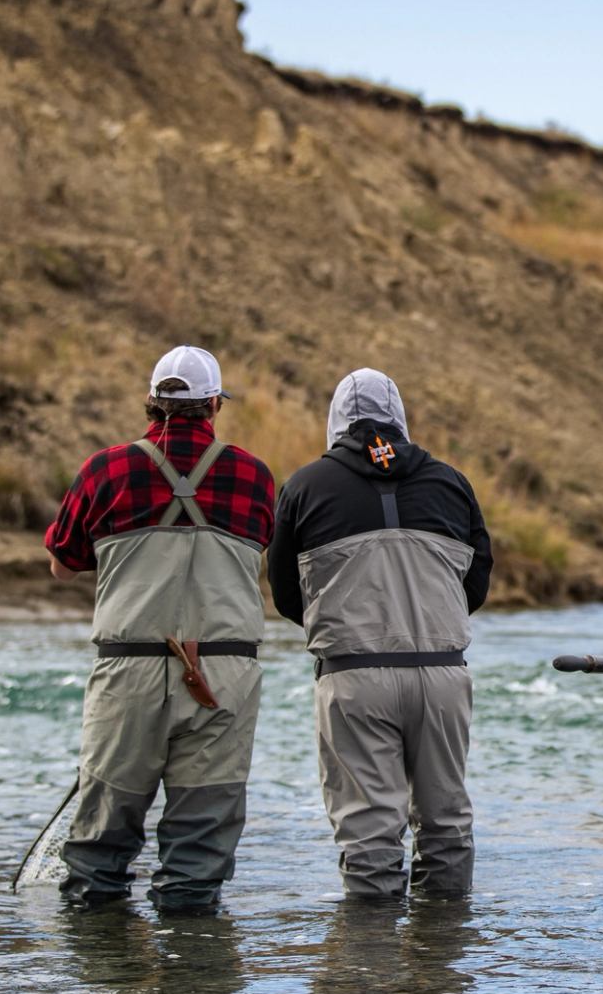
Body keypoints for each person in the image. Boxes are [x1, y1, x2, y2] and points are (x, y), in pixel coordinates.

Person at [43, 345, 276, 914]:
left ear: (151, 402)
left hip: (129, 670)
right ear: (215, 405)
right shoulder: (254, 475)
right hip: (224, 672)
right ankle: (193, 961)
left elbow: (62, 564)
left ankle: (102, 963)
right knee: (200, 850)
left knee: (99, 849)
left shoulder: (104, 469)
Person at [268, 368, 492, 897]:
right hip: (442, 674)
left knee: (368, 833)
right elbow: (476, 583)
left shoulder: (304, 486)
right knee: (447, 823)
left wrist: (345, 625)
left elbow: (284, 594)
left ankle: (370, 947)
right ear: (400, 420)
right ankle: (443, 944)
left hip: (353, 677)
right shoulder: (452, 483)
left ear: (335, 423)